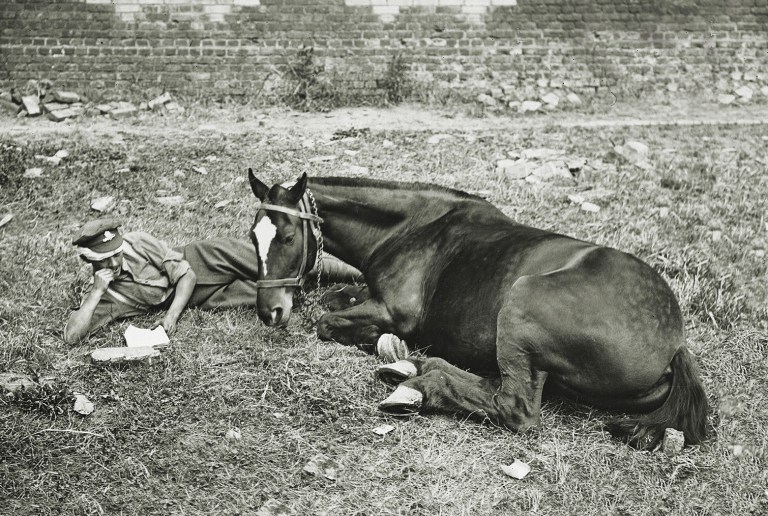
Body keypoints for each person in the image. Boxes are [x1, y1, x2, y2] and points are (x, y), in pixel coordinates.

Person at [64, 218, 363, 344]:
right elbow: (71, 337)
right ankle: (351, 294)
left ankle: (360, 270)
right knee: (278, 293)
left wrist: (170, 318)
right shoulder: (106, 296)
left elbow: (186, 274)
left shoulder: (137, 242)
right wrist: (95, 293)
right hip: (202, 297)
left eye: (117, 253)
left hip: (204, 259)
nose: (115, 262)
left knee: (281, 266)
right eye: (105, 260)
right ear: (89, 260)